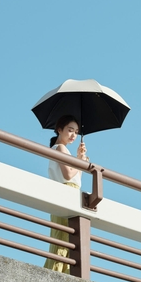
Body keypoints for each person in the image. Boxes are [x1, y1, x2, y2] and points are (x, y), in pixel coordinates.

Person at [44, 115, 89, 273]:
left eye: (76, 132)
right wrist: (79, 161)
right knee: (64, 238)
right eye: (70, 130)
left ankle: (60, 271)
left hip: (70, 192)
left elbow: (77, 179)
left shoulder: (65, 150)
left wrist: (80, 159)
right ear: (59, 129)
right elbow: (68, 175)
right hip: (65, 193)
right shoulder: (60, 148)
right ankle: (56, 272)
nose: (73, 135)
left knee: (65, 238)